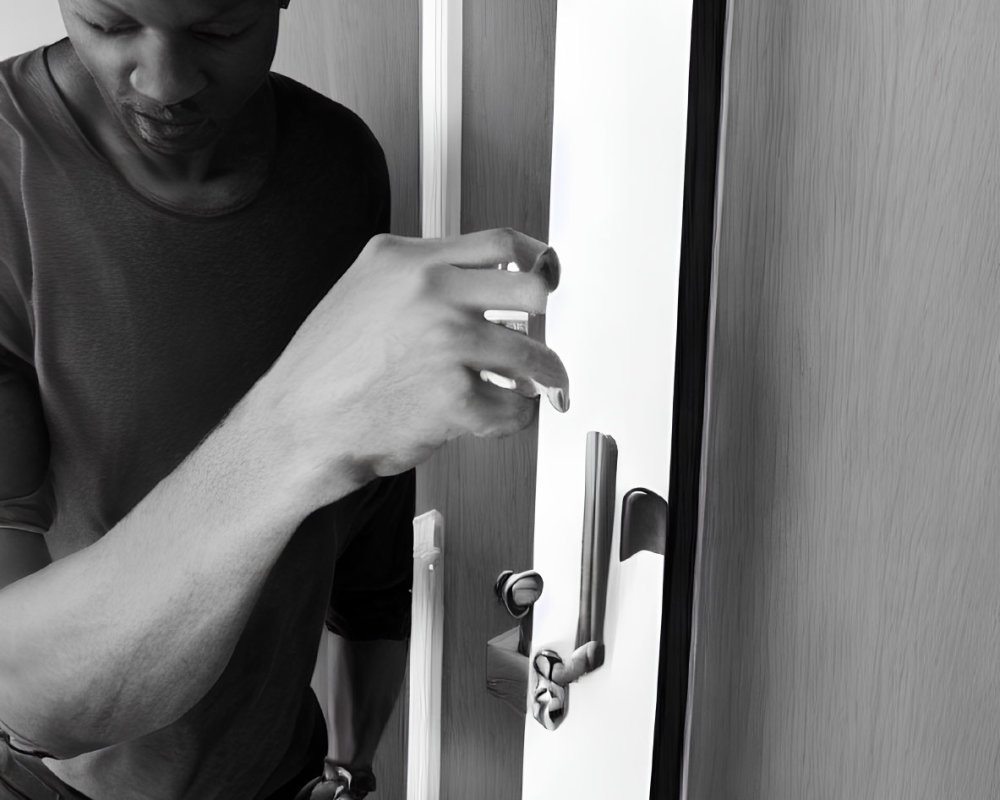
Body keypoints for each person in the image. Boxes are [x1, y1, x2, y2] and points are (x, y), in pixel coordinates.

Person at [0, 0, 568, 797]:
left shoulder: (339, 162)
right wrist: (297, 425)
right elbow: (27, 699)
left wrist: (350, 764)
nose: (164, 83)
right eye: (109, 21)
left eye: (217, 29)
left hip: (291, 770)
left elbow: (368, 536)